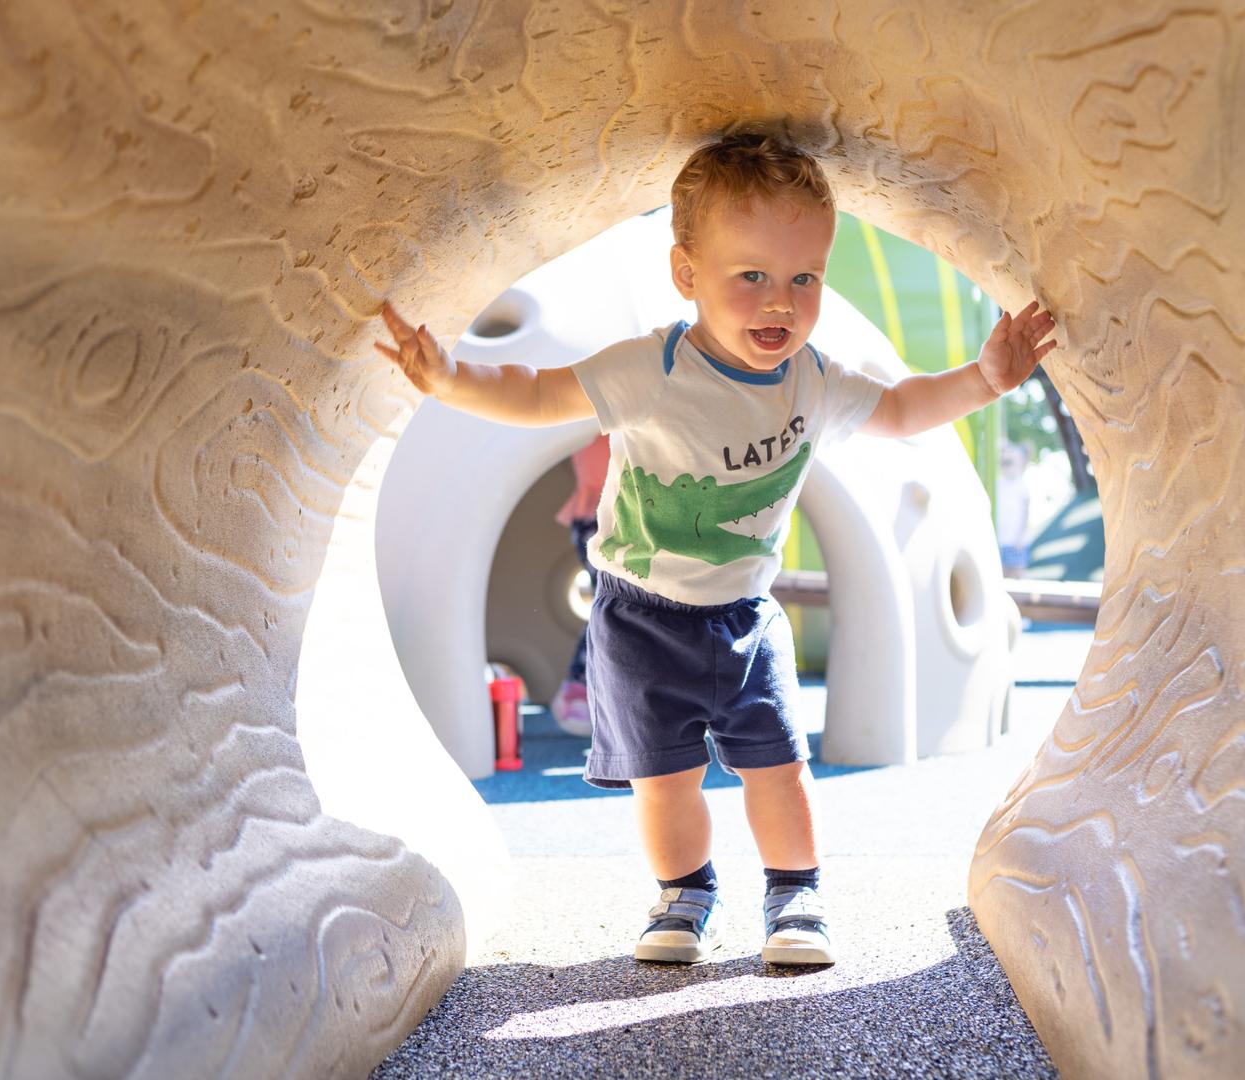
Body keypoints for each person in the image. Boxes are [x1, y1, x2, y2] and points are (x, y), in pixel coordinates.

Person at [375, 131, 1057, 967]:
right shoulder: (651, 370)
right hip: (639, 617)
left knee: (778, 768)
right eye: (753, 277)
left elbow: (902, 411)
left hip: (743, 616)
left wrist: (983, 379)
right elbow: (543, 393)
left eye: (804, 277)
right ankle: (685, 893)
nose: (781, 302)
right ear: (686, 274)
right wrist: (451, 381)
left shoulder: (813, 378)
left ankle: (796, 894)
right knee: (664, 784)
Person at [550, 434, 610, 736]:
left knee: (618, 603)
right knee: (612, 602)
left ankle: (585, 685)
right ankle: (580, 683)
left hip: (628, 504)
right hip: (597, 511)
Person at [996, 440, 1032, 579]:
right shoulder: (998, 483)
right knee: (1001, 572)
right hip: (1000, 539)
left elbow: (1025, 514)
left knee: (1017, 572)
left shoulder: (1021, 486)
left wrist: (1021, 537)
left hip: (1015, 540)